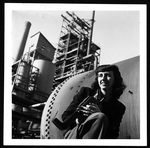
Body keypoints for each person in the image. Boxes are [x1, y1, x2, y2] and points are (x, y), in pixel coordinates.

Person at [61, 64, 126, 139]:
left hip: (99, 138)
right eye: (100, 75)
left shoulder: (119, 107)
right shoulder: (85, 92)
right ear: (97, 79)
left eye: (107, 75)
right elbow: (66, 116)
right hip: (76, 135)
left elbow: (114, 134)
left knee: (101, 117)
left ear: (115, 79)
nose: (103, 79)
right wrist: (77, 120)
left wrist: (99, 114)